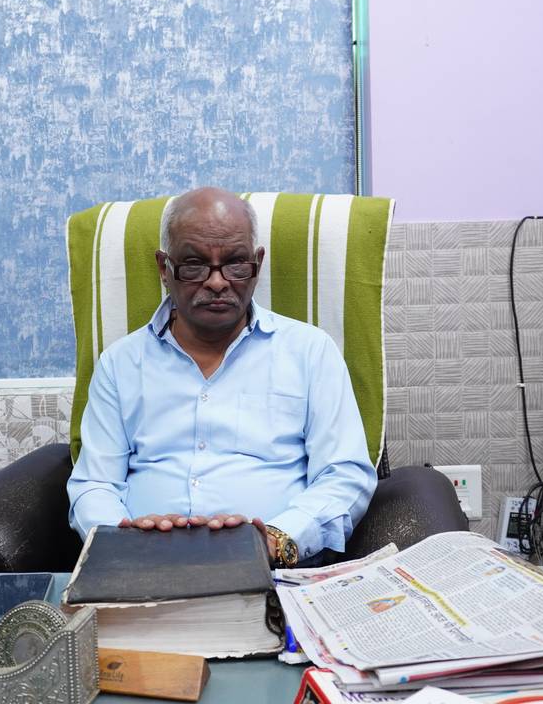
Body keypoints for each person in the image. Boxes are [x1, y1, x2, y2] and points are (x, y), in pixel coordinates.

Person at [66, 187, 377, 567]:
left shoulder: (310, 352)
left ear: (257, 264)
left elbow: (344, 474)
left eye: (235, 264)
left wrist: (276, 539)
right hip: (147, 568)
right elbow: (94, 483)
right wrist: (125, 536)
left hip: (273, 571)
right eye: (194, 265)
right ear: (164, 268)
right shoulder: (120, 363)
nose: (217, 282)